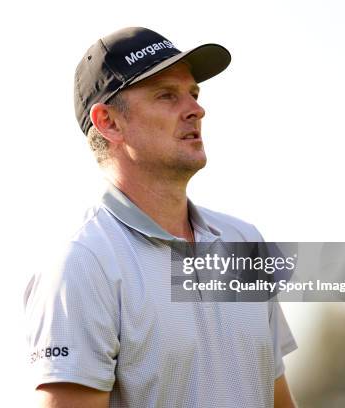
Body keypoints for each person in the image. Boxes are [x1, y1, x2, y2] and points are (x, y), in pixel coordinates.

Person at [24, 27, 298, 407]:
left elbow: (277, 399)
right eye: (167, 95)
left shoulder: (245, 242)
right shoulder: (82, 265)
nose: (196, 109)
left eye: (194, 94)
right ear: (108, 122)